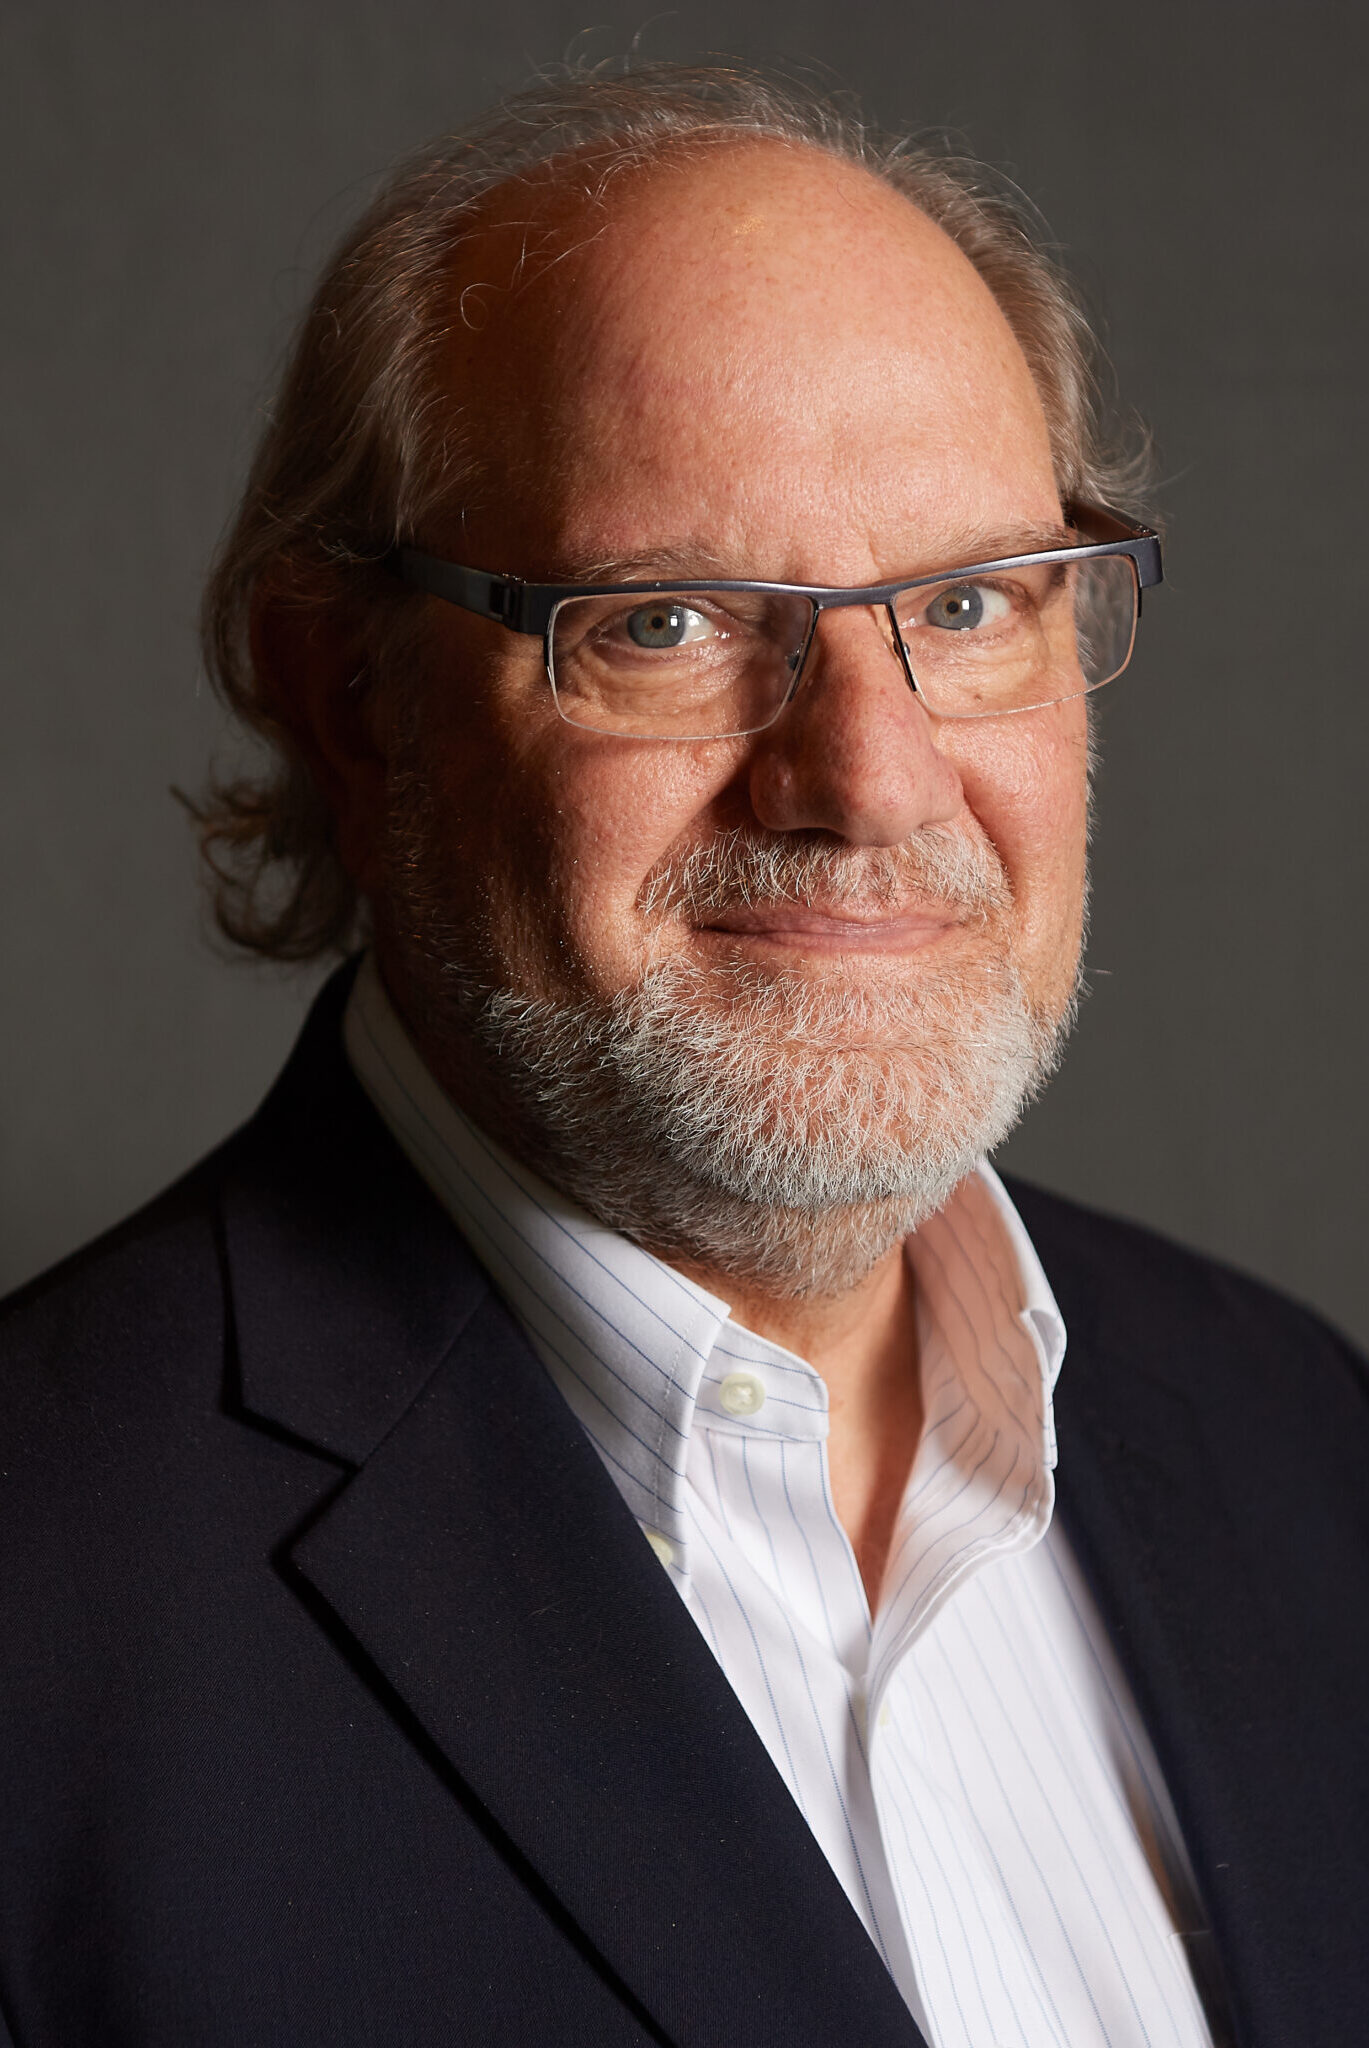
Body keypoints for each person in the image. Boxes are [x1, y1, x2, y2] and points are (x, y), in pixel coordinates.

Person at [0, 62, 1364, 2048]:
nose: (868, 778)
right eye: (668, 623)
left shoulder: (1299, 1442)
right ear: (350, 696)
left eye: (967, 603)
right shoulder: (43, 1615)